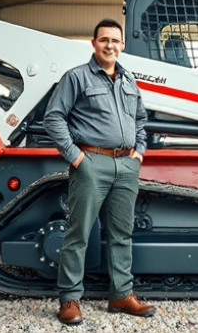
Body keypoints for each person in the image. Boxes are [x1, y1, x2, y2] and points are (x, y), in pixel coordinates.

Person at [44, 18, 156, 325]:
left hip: (126, 166)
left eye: (115, 41)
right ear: (93, 44)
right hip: (92, 163)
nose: (110, 45)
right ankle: (69, 299)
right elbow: (53, 118)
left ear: (122, 45)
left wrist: (139, 153)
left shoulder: (128, 80)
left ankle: (121, 294)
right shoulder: (77, 77)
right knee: (78, 232)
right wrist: (77, 158)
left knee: (122, 234)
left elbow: (141, 120)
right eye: (104, 40)